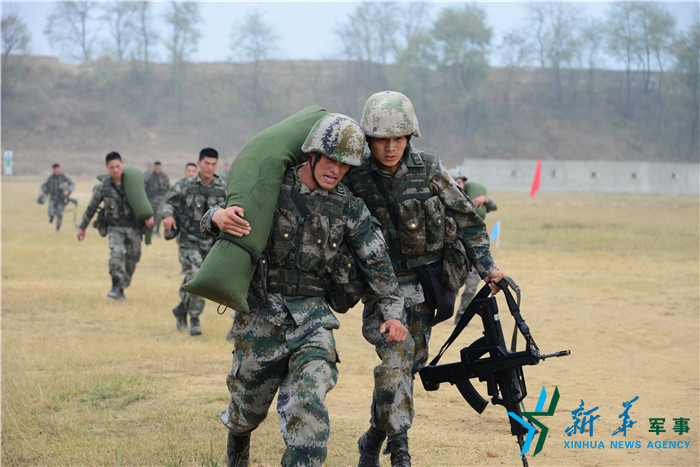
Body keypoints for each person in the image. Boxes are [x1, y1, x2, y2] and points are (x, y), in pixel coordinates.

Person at [200, 113, 408, 467]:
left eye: (345, 164)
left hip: (313, 320)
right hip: (260, 316)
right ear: (312, 154)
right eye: (330, 159)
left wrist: (392, 314)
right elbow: (218, 218)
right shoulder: (272, 188)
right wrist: (216, 217)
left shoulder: (348, 207)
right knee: (246, 410)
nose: (336, 170)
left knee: (308, 405)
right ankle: (239, 442)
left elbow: (378, 265)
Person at [341, 91, 508, 467]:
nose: (390, 147)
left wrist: (488, 268)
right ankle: (400, 450)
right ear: (369, 139)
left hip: (426, 290)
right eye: (381, 139)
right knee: (395, 361)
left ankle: (373, 437)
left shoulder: (430, 169)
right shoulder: (355, 176)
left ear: (409, 137)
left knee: (406, 367)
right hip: (382, 291)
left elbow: (468, 221)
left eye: (398, 138)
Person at [162, 148, 226, 336]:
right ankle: (195, 319)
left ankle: (181, 308)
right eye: (206, 163)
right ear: (199, 164)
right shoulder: (186, 185)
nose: (210, 167)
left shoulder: (223, 187)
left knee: (197, 280)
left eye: (213, 164)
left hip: (212, 243)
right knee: (196, 274)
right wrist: (168, 216)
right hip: (189, 240)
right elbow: (168, 202)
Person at [77, 152, 155, 301]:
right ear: (107, 168)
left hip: (134, 228)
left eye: (118, 166)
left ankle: (121, 287)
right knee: (116, 254)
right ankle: (116, 286)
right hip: (115, 228)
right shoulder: (103, 187)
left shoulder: (132, 183)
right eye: (112, 167)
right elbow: (91, 208)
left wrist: (148, 217)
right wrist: (82, 228)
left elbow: (143, 202)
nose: (115, 170)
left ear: (122, 165)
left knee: (133, 259)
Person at [451, 170, 499, 325]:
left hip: (475, 249)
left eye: (460, 182)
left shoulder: (474, 195)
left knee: (471, 287)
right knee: (452, 286)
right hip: (455, 251)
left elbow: (494, 206)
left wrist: (485, 199)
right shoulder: (447, 199)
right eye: (455, 182)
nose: (458, 185)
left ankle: (461, 316)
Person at [38, 163, 76, 231]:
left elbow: (72, 184)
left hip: (61, 198)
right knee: (50, 211)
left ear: (59, 169)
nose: (56, 171)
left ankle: (58, 227)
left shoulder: (64, 176)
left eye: (57, 169)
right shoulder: (50, 177)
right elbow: (43, 185)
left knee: (59, 213)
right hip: (53, 197)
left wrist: (68, 191)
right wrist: (41, 191)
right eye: (54, 169)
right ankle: (51, 217)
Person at [144, 161, 170, 237]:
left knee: (159, 214)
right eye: (156, 168)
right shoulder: (149, 177)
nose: (157, 169)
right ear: (154, 167)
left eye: (159, 168)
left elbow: (168, 189)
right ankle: (151, 230)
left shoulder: (165, 177)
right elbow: (144, 188)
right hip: (151, 199)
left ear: (161, 167)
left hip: (161, 199)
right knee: (152, 215)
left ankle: (157, 230)